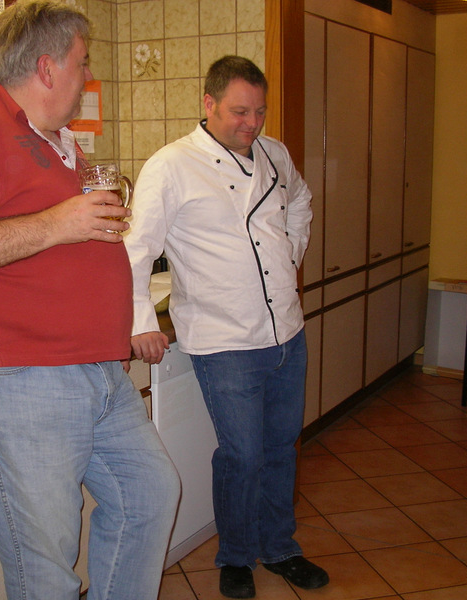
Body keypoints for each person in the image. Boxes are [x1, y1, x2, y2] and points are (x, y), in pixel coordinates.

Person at [0, 2, 180, 599]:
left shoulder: (57, 141)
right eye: (83, 62)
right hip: (19, 375)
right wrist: (60, 222)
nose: (89, 76)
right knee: (46, 564)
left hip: (94, 369)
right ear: (48, 67)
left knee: (150, 495)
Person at [124, 56, 329, 599]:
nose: (252, 124)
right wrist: (140, 322)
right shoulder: (172, 166)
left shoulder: (274, 153)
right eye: (240, 112)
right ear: (208, 103)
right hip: (224, 341)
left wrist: (291, 254)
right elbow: (136, 249)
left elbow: (301, 201)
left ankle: (280, 547)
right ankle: (236, 556)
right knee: (242, 454)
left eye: (259, 112)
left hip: (287, 332)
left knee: (282, 448)